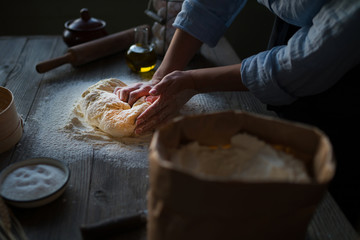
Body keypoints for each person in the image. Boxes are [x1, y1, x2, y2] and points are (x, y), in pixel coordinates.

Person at [114, 0, 360, 230]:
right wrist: (163, 77)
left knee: (328, 203)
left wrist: (192, 82)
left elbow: (302, 64)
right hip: (296, 40)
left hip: (345, 86)